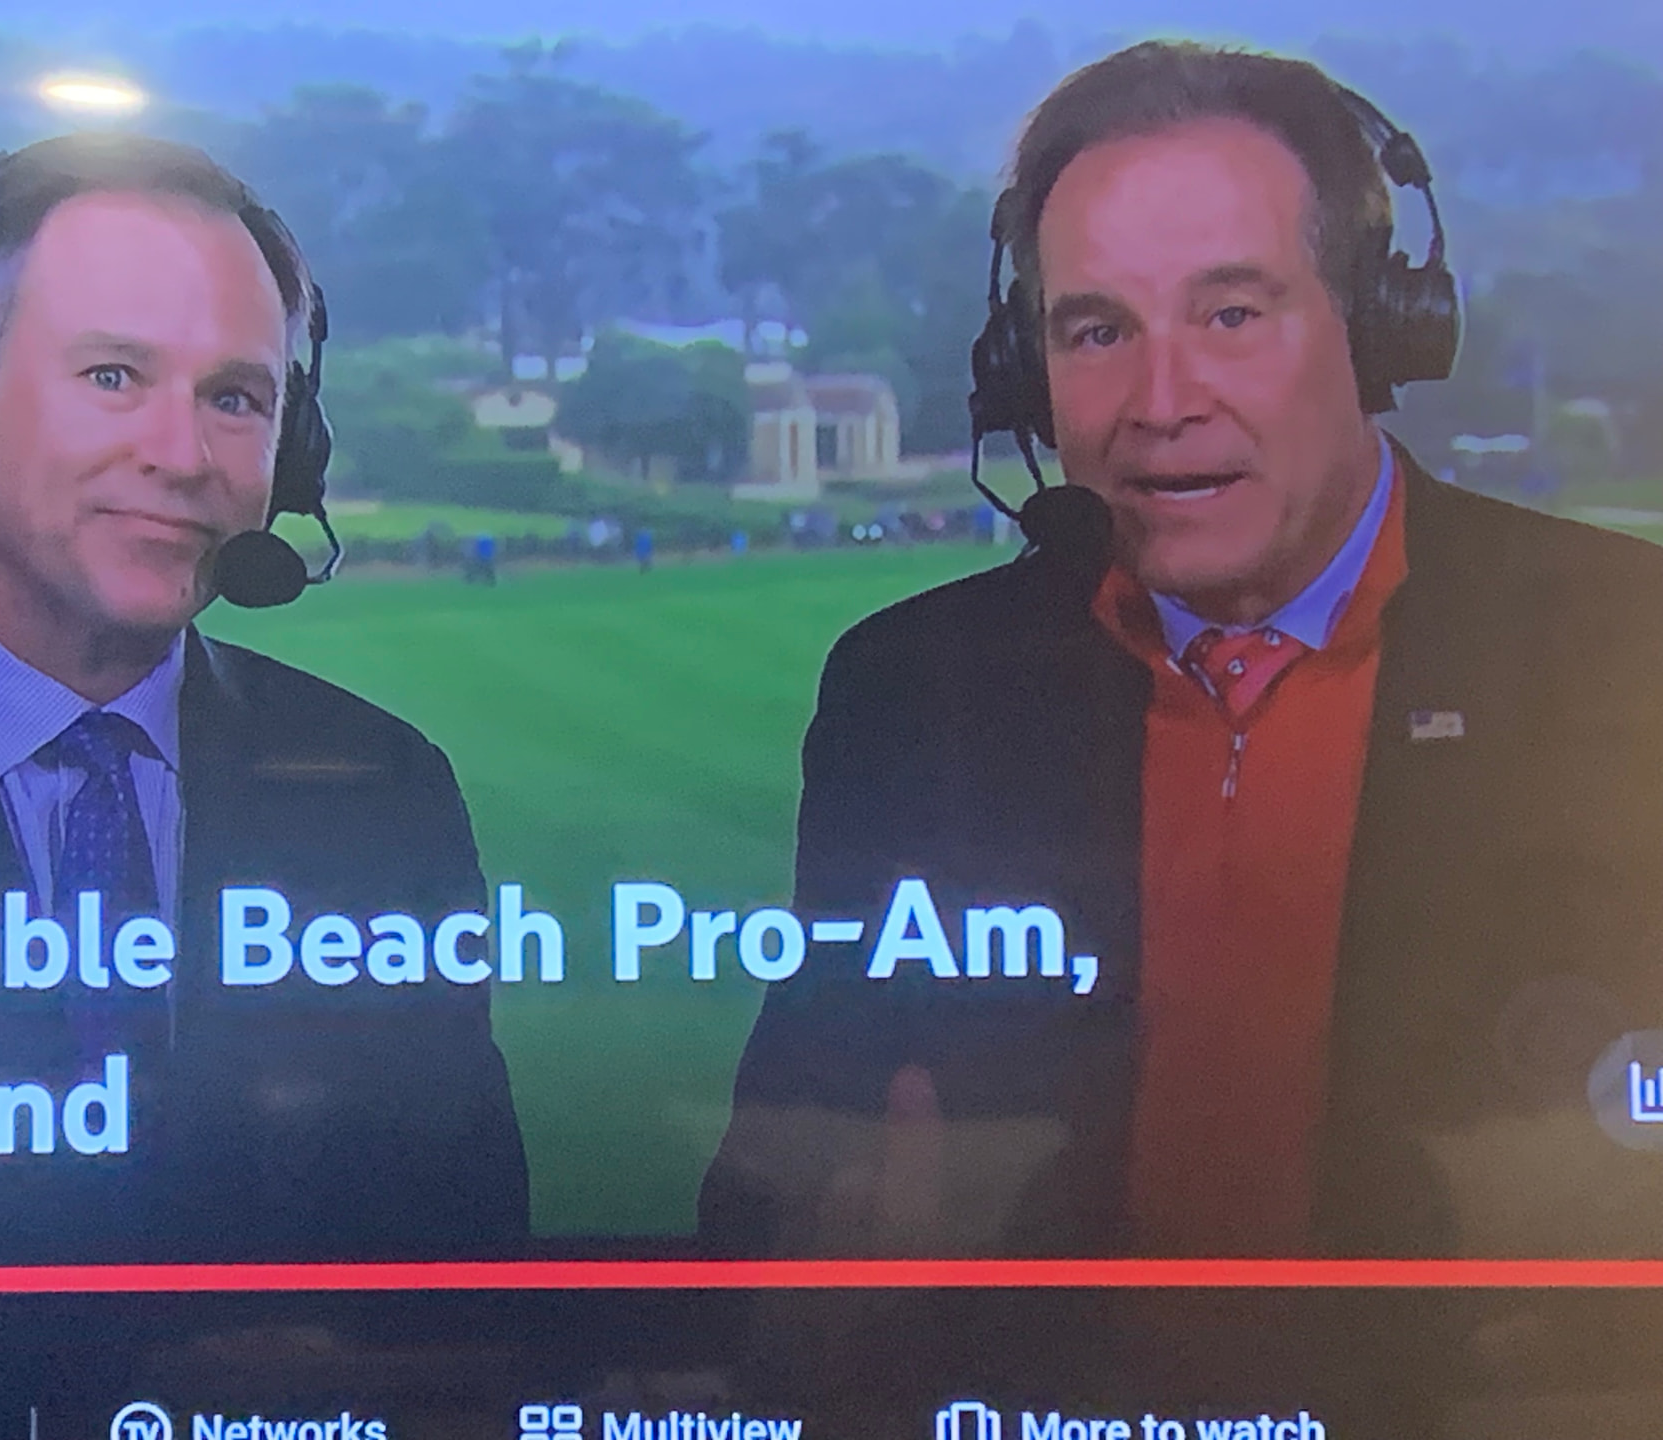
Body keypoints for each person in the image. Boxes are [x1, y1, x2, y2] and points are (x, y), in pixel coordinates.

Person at [700, 41, 1663, 1266]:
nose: (1162, 400)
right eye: (1097, 330)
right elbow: (770, 1187)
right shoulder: (916, 688)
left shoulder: (1628, 645)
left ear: (1376, 333)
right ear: (1026, 372)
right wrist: (822, 1287)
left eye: (1232, 315)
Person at [0, 133, 529, 1270]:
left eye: (235, 398)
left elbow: (465, 1261)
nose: (181, 453)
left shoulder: (384, 789)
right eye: (113, 376)